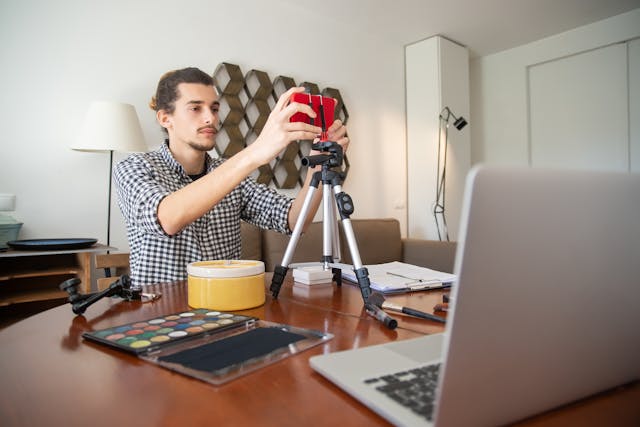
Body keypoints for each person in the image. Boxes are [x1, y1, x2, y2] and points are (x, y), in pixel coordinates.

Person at [114, 67, 349, 286]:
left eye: (214, 109)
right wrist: (256, 151)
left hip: (226, 309)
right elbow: (168, 218)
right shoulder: (134, 167)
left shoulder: (228, 172)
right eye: (196, 108)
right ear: (165, 118)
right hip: (161, 315)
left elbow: (295, 220)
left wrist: (319, 166)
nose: (211, 118)